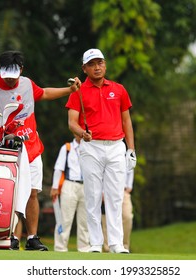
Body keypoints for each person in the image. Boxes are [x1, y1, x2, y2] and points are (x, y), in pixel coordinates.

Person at [0, 50, 81, 251]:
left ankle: (32, 237)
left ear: (21, 70)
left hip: (32, 146)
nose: (10, 81)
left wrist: (70, 91)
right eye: (6, 76)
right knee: (11, 194)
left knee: (33, 192)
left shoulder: (26, 83)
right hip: (7, 151)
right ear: (0, 69)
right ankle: (11, 237)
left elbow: (44, 93)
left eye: (13, 76)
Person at [66, 48, 137, 253]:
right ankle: (95, 243)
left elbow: (127, 121)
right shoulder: (78, 91)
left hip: (116, 146)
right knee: (93, 195)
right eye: (92, 64)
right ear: (84, 68)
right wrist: (82, 133)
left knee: (116, 196)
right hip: (91, 147)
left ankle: (116, 243)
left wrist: (130, 149)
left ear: (105, 64)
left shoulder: (119, 89)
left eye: (100, 63)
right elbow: (72, 122)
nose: (97, 67)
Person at [50, 133, 89, 252]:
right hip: (70, 183)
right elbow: (59, 168)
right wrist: (55, 187)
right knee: (65, 219)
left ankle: (85, 249)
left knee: (85, 221)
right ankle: (60, 248)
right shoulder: (67, 148)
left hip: (86, 186)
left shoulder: (90, 149)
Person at [102, 168, 134, 252]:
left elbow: (130, 168)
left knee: (128, 217)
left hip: (123, 191)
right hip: (107, 191)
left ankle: (124, 246)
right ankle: (107, 249)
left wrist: (129, 186)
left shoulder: (125, 154)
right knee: (106, 221)